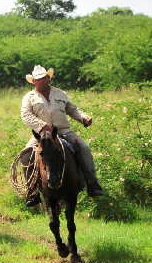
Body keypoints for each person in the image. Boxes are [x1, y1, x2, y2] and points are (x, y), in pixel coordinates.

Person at [20, 65, 104, 206]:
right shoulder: (29, 97)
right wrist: (42, 125)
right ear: (34, 81)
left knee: (84, 148)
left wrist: (83, 118)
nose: (42, 81)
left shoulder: (60, 93)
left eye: (44, 78)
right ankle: (32, 192)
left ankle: (92, 184)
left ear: (49, 78)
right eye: (39, 79)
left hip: (64, 132)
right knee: (26, 154)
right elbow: (25, 115)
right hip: (42, 136)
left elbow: (72, 109)